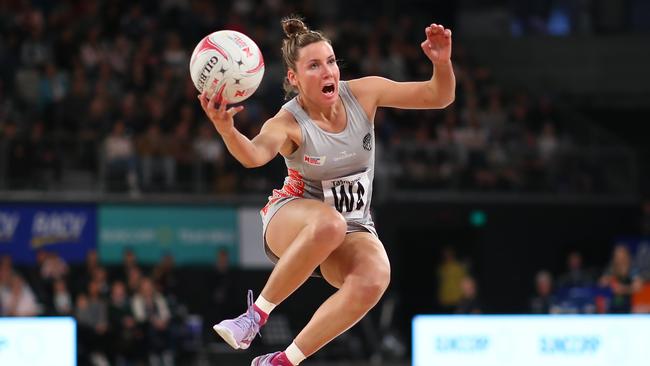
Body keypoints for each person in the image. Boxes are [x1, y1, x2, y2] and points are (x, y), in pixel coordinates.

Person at [198, 16, 455, 366]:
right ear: (294, 78)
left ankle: (282, 361)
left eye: (331, 62)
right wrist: (227, 131)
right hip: (291, 217)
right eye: (314, 66)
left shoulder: (364, 93)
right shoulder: (287, 122)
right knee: (329, 224)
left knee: (374, 278)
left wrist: (441, 63)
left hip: (352, 226)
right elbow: (255, 156)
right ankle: (253, 317)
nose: (328, 72)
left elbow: (438, 96)